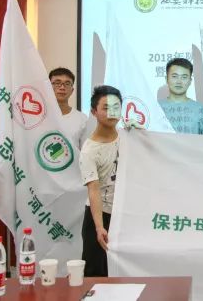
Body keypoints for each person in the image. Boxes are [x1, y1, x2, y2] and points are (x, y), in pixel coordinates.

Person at [79, 85, 122, 277]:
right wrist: (99, 227)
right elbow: (93, 189)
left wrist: (143, 135)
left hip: (123, 215)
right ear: (94, 111)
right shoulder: (90, 150)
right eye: (106, 107)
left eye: (116, 107)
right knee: (96, 274)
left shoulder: (129, 137)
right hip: (100, 216)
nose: (112, 112)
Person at [159, 58, 203, 134]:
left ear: (190, 81)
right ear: (166, 79)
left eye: (184, 77)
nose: (179, 82)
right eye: (174, 76)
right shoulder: (156, 108)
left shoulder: (200, 110)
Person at [49, 67, 88, 150]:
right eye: (57, 83)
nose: (62, 87)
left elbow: (85, 152)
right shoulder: (39, 117)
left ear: (72, 90)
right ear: (48, 87)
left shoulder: (82, 119)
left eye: (67, 84)